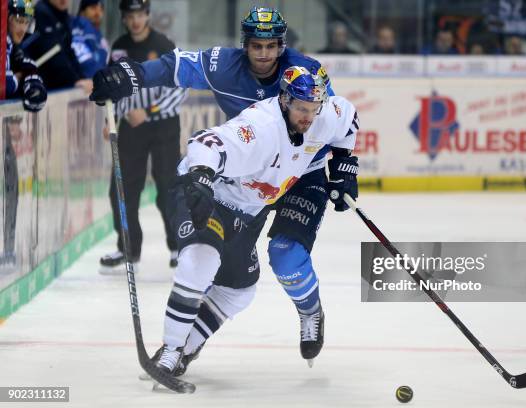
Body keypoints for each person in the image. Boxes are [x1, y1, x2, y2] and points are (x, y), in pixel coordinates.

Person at [89, 7, 358, 370]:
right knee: (205, 261)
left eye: (271, 46)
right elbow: (177, 73)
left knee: (285, 256)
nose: (263, 54)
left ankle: (310, 312)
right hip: (249, 173)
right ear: (244, 45)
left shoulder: (308, 80)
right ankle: (176, 348)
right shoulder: (253, 114)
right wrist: (133, 74)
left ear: (283, 46)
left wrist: (343, 164)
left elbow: (342, 117)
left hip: (300, 171)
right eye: (256, 46)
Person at [98, 0, 187, 274]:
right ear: (124, 18)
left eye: (140, 15)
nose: (136, 21)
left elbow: (179, 86)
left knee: (168, 187)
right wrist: (111, 118)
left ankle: (178, 248)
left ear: (147, 15)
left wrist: (148, 110)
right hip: (131, 129)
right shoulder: (119, 48)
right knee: (122, 189)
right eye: (130, 16)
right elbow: (113, 86)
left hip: (163, 127)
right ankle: (128, 249)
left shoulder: (164, 45)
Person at [29, 0, 91, 92]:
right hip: (39, 87)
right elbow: (53, 55)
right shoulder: (40, 12)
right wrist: (75, 81)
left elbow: (68, 51)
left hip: (54, 86)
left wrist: (83, 78)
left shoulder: (62, 15)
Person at [4, 0, 47, 113]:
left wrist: (35, 87)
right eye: (19, 21)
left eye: (27, 23)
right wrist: (17, 78)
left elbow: (28, 68)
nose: (23, 29)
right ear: (5, 19)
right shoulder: (5, 44)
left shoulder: (15, 48)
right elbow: (4, 85)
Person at [71, 0, 109, 78]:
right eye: (93, 8)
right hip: (80, 85)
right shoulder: (77, 27)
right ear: (82, 11)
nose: (98, 13)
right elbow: (86, 64)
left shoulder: (100, 37)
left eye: (101, 9)